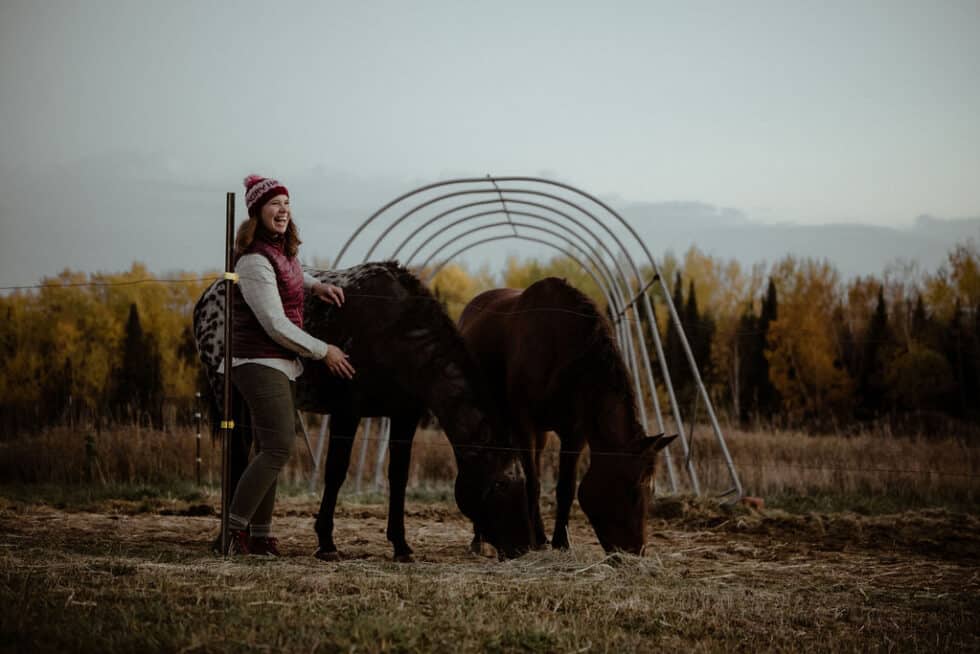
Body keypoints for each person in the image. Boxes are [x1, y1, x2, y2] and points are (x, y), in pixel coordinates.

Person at [220, 174, 355, 556]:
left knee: (269, 445)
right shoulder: (251, 261)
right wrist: (322, 350)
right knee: (279, 446)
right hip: (257, 360)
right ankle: (231, 534)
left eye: (286, 203)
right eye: (274, 204)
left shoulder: (281, 252)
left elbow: (292, 272)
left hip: (278, 362)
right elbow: (276, 324)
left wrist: (316, 286)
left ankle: (259, 536)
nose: (282, 210)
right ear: (257, 212)